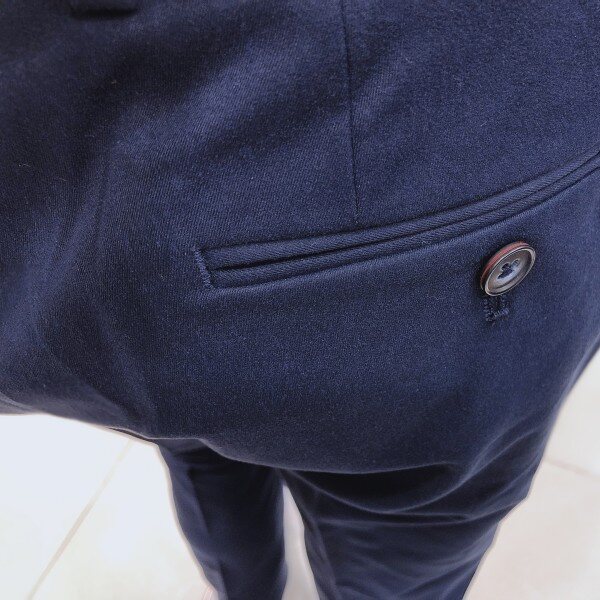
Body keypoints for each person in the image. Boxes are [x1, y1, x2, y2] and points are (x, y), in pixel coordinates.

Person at [2, 1, 600, 598]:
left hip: (100, 206)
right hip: (474, 148)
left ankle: (244, 589)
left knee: (198, 448)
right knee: (399, 554)